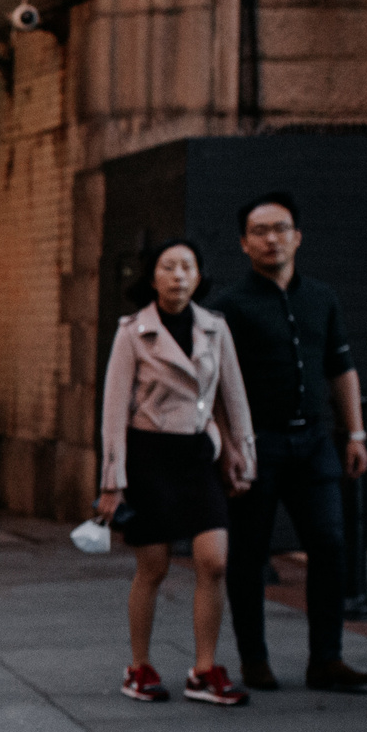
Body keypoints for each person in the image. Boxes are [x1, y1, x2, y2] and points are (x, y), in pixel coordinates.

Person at [214, 192, 367, 693]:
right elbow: (214, 383)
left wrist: (355, 432)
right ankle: (253, 660)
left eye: (280, 228)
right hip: (257, 445)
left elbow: (341, 367)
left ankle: (326, 660)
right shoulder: (228, 307)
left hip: (314, 445)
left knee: (329, 544)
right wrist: (230, 447)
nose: (271, 239)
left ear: (297, 236)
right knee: (249, 554)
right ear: (244, 243)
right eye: (259, 231)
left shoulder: (322, 298)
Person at [97, 241, 256, 706]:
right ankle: (139, 666)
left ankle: (204, 670)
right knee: (154, 566)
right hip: (148, 456)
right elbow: (113, 410)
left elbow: (234, 396)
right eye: (168, 267)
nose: (178, 276)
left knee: (215, 561)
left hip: (196, 456)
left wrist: (241, 453)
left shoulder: (215, 328)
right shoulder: (133, 332)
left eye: (187, 267)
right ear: (153, 277)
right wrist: (113, 480)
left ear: (198, 276)